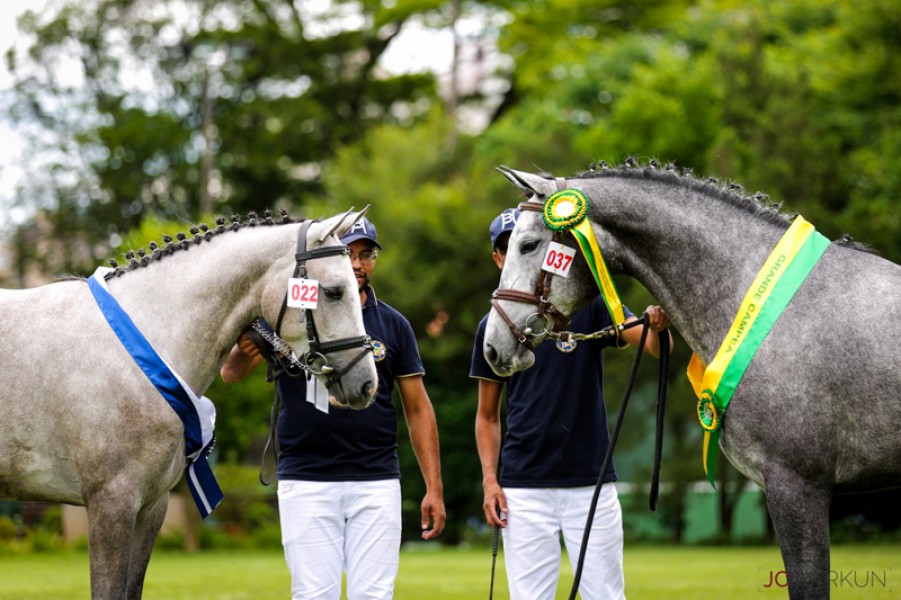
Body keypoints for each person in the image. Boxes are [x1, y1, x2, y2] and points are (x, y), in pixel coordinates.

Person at [221, 217, 446, 600]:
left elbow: (419, 409)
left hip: (376, 480)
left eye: (366, 254)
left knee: (374, 596)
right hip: (306, 480)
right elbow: (231, 373)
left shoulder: (393, 324)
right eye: (348, 253)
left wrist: (434, 488)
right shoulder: (291, 312)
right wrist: (247, 348)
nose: (357, 264)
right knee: (313, 595)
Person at [471, 208, 672, 600]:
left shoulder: (588, 305)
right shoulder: (490, 328)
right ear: (500, 259)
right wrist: (489, 480)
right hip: (524, 488)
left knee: (606, 596)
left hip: (590, 484)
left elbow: (654, 347)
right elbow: (486, 416)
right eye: (505, 247)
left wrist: (658, 325)